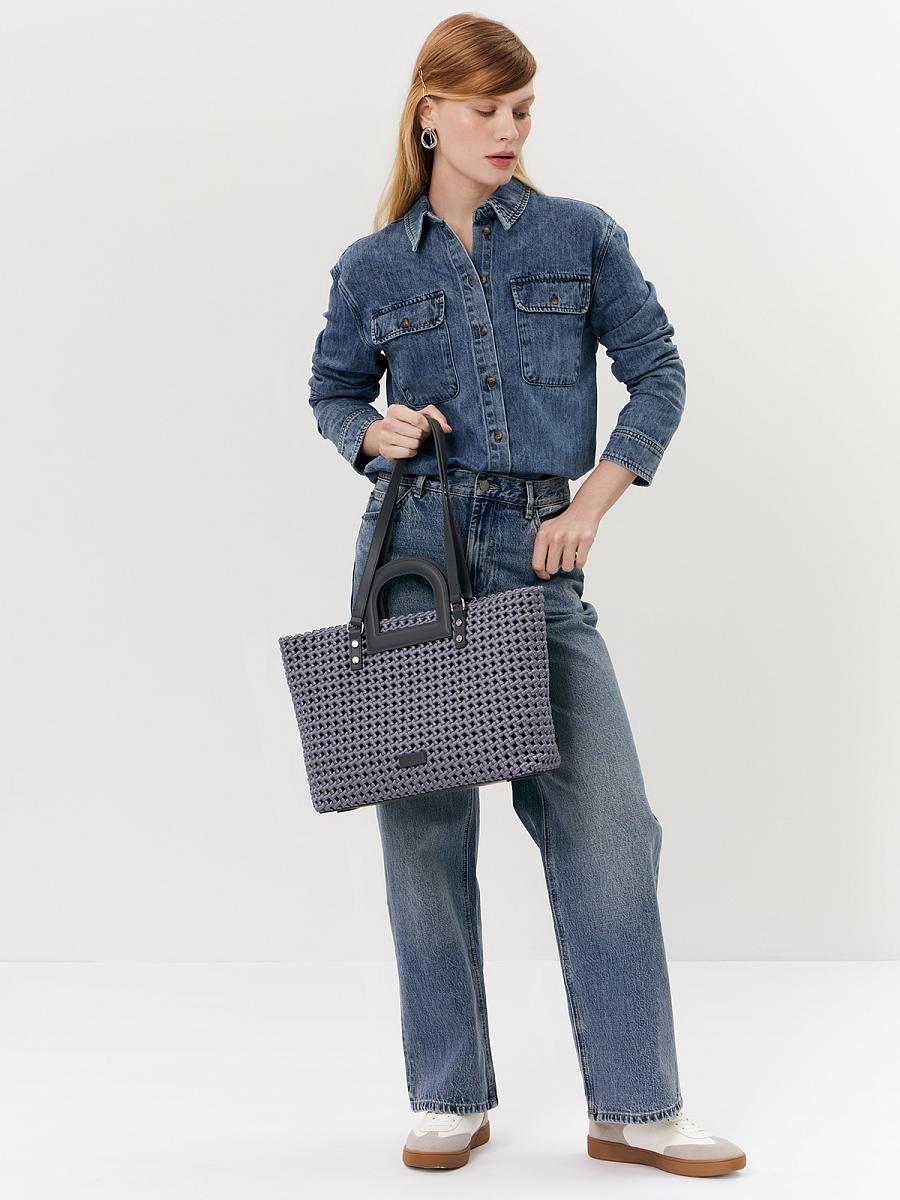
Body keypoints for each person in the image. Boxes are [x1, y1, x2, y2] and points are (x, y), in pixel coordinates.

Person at [306, 13, 746, 1179]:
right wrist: (369, 432)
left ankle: (636, 1105)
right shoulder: (369, 266)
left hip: (539, 554)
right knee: (425, 830)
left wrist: (592, 501)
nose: (508, 129)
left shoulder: (579, 235)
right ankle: (448, 1094)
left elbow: (659, 370)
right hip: (416, 551)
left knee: (611, 827)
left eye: (523, 110)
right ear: (430, 115)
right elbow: (333, 390)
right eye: (487, 109)